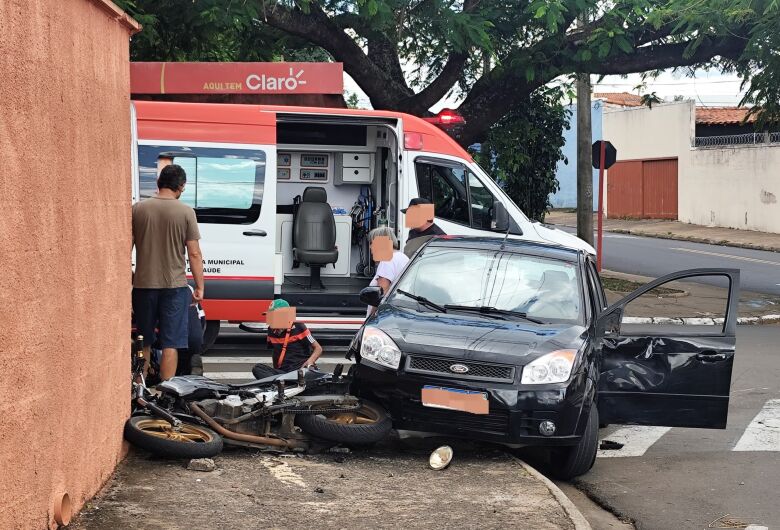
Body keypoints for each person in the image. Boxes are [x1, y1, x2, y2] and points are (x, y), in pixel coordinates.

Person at [132, 164, 204, 381]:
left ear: (158, 182)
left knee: (143, 340)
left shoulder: (138, 209)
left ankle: (139, 388)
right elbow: (194, 253)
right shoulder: (186, 212)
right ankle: (165, 394)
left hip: (143, 286)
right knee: (170, 342)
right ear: (181, 186)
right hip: (174, 287)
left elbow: (127, 249)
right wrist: (200, 286)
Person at [251, 299, 323, 379]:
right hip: (284, 373)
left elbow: (318, 348)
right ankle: (281, 382)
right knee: (257, 368)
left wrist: (310, 362)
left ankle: (282, 383)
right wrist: (275, 371)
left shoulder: (299, 327)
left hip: (300, 370)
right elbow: (275, 353)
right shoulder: (271, 331)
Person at [366, 226, 410, 317]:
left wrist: (371, 317)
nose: (370, 247)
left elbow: (380, 295)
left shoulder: (387, 260)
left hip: (382, 319)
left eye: (372, 243)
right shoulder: (402, 257)